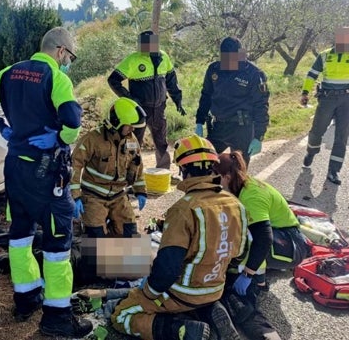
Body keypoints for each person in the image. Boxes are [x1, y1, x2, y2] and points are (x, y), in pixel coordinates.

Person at [0, 27, 92, 338]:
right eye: (70, 57)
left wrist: (1, 128)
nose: (68, 62)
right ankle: (57, 318)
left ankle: (25, 298)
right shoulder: (57, 78)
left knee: (20, 236)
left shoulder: (11, 72)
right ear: (61, 51)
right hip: (46, 173)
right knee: (57, 247)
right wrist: (60, 137)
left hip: (15, 169)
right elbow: (73, 122)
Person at [106, 135, 248, 340]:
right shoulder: (236, 204)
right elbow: (238, 253)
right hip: (215, 288)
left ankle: (180, 329)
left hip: (183, 293)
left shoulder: (184, 209)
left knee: (121, 315)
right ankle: (206, 310)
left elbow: (167, 269)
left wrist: (145, 294)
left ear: (183, 170)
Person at [213, 150, 309, 340]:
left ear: (228, 176)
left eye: (218, 179)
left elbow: (263, 238)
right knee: (241, 230)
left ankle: (258, 281)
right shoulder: (241, 185)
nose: (217, 184)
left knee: (246, 236)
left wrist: (247, 273)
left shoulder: (251, 197)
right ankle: (258, 274)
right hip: (282, 237)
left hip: (291, 245)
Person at [108, 30, 186, 170]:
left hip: (159, 109)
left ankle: (163, 172)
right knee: (133, 143)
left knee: (161, 142)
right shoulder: (133, 59)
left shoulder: (164, 57)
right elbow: (113, 80)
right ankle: (130, 175)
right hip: (139, 111)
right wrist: (131, 100)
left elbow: (171, 81)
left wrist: (178, 100)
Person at [70, 97, 147, 238]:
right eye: (129, 125)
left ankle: (118, 255)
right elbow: (75, 164)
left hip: (118, 196)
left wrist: (141, 191)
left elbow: (137, 165)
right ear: (117, 122)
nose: (132, 129)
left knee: (130, 233)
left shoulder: (131, 139)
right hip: (93, 197)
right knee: (96, 239)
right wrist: (75, 197)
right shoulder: (92, 139)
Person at [195, 36, 270, 165]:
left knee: (237, 174)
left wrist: (258, 136)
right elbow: (206, 95)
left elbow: (261, 106)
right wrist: (199, 121)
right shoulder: (214, 69)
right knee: (206, 163)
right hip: (218, 126)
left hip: (242, 129)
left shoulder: (253, 74)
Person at [301, 27, 349, 185]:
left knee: (342, 137)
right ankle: (311, 151)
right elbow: (312, 74)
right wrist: (305, 92)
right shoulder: (325, 55)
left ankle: (333, 171)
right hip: (327, 99)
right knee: (317, 131)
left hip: (346, 100)